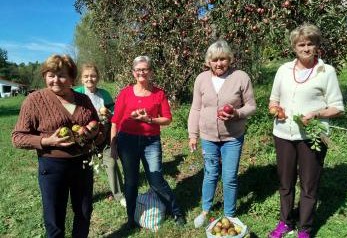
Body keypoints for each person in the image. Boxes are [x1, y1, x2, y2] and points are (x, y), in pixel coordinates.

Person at [12, 54, 104, 238]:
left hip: (83, 164)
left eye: (61, 75)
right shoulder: (34, 101)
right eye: (50, 75)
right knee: (54, 220)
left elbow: (96, 123)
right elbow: (17, 137)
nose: (56, 80)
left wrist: (93, 130)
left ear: (71, 77)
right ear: (45, 76)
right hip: (53, 166)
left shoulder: (83, 99)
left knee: (84, 212)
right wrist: (47, 141)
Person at [267, 23, 344, 238]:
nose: (306, 48)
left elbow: (337, 107)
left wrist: (316, 114)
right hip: (283, 134)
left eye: (310, 44)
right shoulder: (283, 70)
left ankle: (305, 228)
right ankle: (285, 222)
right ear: (294, 47)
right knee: (285, 182)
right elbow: (273, 99)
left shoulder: (326, 71)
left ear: (317, 46)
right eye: (301, 44)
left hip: (312, 136)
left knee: (309, 184)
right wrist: (275, 110)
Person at [110, 55, 186, 229]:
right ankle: (130, 218)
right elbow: (115, 121)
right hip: (127, 141)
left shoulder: (158, 93)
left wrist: (149, 119)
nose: (141, 72)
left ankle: (176, 212)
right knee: (131, 181)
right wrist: (113, 146)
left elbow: (167, 119)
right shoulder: (125, 93)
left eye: (145, 69)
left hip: (150, 142)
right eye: (138, 70)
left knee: (156, 180)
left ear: (150, 71)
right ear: (133, 73)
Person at [188, 40, 256, 228]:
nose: (219, 63)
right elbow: (195, 108)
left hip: (232, 137)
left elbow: (251, 106)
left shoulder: (241, 77)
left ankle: (230, 214)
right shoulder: (201, 79)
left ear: (230, 59)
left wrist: (237, 113)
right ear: (208, 61)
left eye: (223, 59)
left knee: (230, 176)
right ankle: (205, 209)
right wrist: (192, 134)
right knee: (210, 173)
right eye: (215, 60)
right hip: (208, 137)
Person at [74, 63, 126, 206]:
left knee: (111, 163)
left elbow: (114, 114)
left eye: (93, 76)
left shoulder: (104, 94)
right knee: (84, 167)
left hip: (104, 134)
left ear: (97, 78)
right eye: (86, 76)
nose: (89, 79)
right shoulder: (76, 93)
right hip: (84, 136)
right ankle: (85, 197)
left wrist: (110, 115)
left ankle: (119, 195)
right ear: (81, 78)